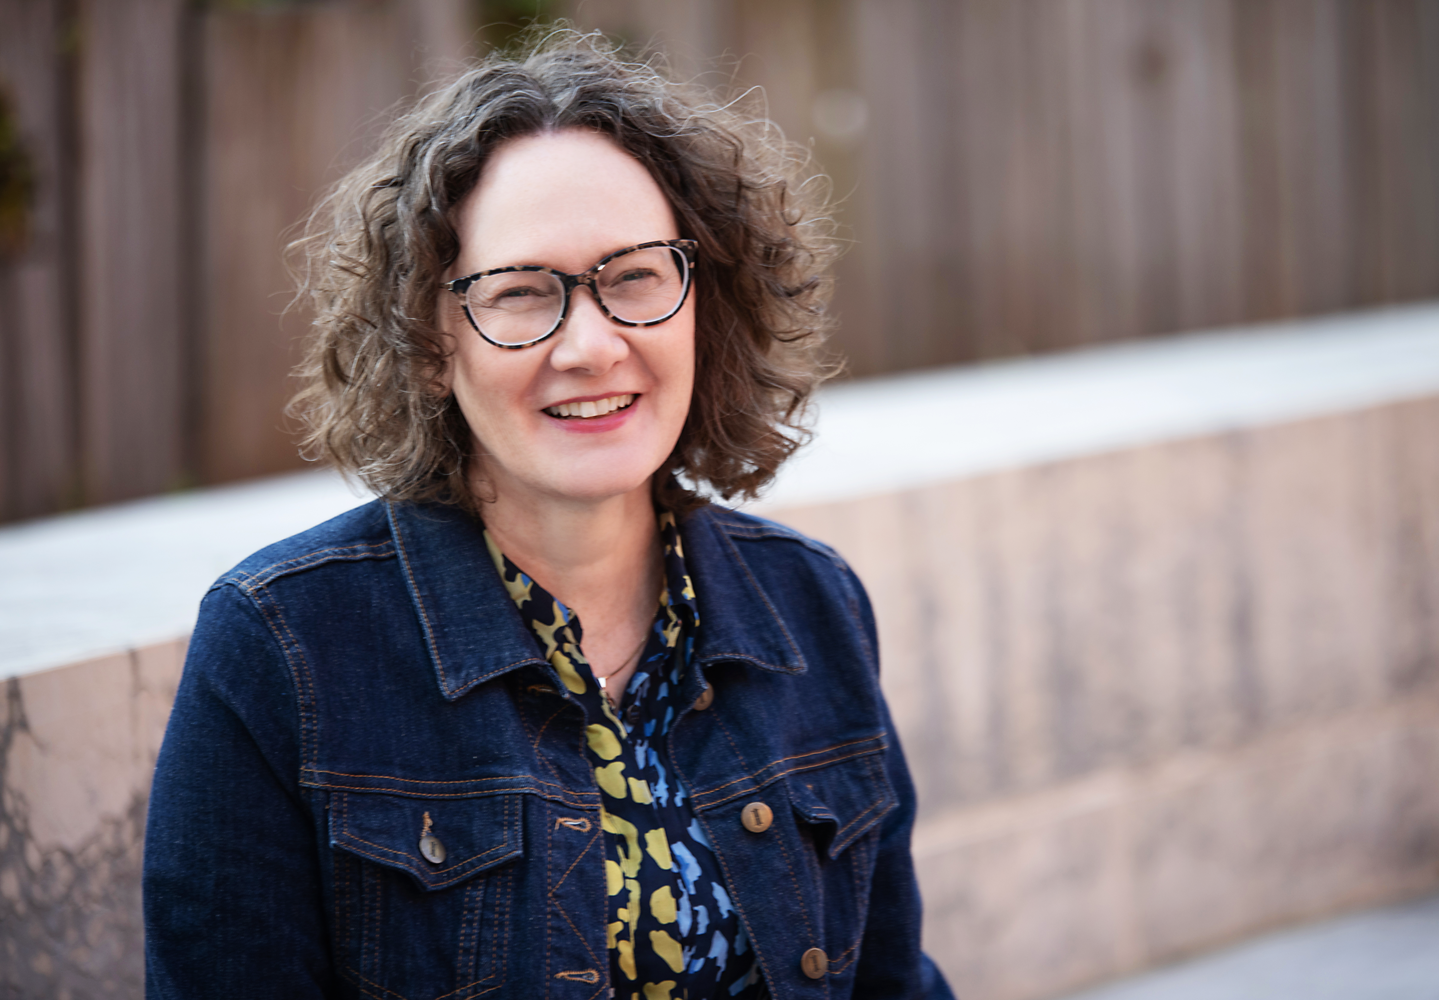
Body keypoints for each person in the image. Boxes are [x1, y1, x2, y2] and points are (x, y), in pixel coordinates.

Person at [143, 29, 952, 1000]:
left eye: (635, 276)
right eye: (523, 292)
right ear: (434, 344)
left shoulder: (810, 603)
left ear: (705, 299)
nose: (591, 344)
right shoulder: (284, 646)